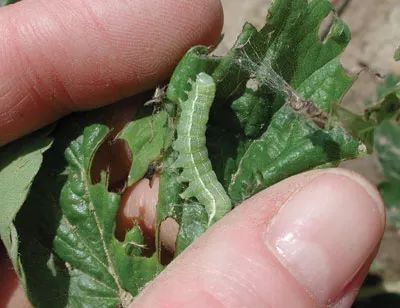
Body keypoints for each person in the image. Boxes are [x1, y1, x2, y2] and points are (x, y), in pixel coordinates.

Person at [0, 0, 385, 307]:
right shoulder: (190, 127)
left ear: (189, 104)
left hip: (208, 188)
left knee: (200, 175)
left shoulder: (194, 138)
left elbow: (191, 147)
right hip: (202, 179)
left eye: (197, 97)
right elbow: (189, 146)